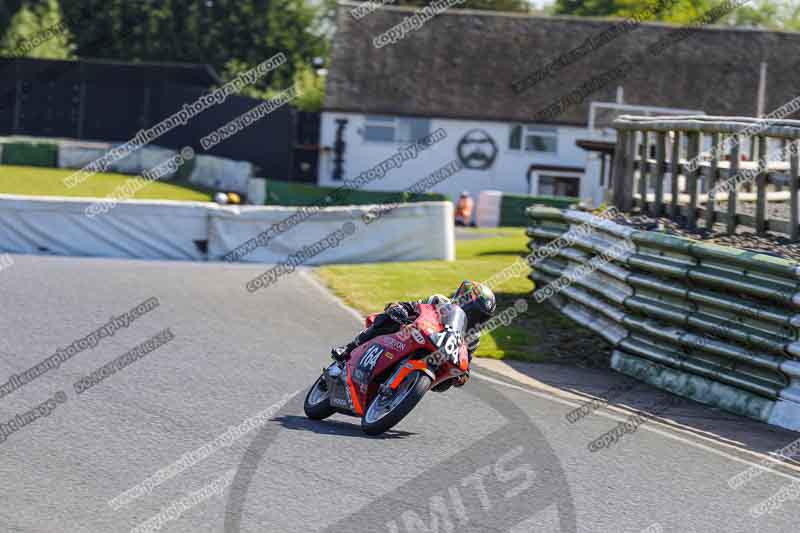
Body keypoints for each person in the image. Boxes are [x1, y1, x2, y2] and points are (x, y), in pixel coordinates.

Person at [331, 281, 497, 387]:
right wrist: (400, 308)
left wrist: (462, 376)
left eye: (480, 316)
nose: (474, 317)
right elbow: (412, 306)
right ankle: (348, 349)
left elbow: (466, 363)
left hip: (433, 357)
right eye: (473, 311)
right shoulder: (439, 301)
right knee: (390, 318)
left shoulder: (473, 338)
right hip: (408, 333)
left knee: (446, 383)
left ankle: (403, 388)